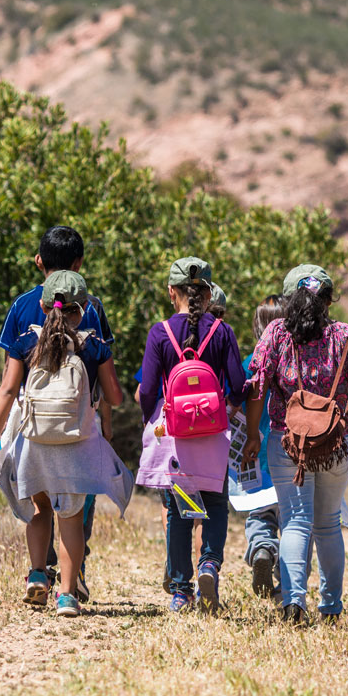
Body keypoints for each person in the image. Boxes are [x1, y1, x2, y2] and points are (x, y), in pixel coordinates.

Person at [245, 264, 348, 623]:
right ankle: (331, 607)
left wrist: (252, 436)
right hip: (336, 444)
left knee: (294, 522)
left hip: (287, 441)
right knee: (327, 524)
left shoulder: (275, 333)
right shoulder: (347, 336)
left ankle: (293, 603)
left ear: (289, 300)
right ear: (328, 300)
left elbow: (257, 384)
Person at [0, 271, 132, 618]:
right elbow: (115, 397)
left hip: (35, 442)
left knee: (39, 509)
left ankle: (37, 573)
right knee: (71, 518)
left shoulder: (26, 343)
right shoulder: (94, 346)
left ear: (43, 305)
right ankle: (66, 595)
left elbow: (7, 391)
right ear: (83, 310)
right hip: (75, 443)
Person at [0, 226, 112, 601]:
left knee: (38, 501)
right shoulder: (90, 307)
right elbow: (106, 385)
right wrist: (105, 425)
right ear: (79, 264)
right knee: (76, 507)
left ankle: (38, 570)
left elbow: (9, 383)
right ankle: (71, 578)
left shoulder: (22, 306)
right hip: (79, 426)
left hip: (31, 422)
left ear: (38, 261)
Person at [135, 257, 248, 612]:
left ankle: (181, 591)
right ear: (209, 292)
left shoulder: (159, 333)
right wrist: (228, 407)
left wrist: (148, 417)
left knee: (178, 512)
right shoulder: (223, 332)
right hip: (213, 433)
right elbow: (238, 384)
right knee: (215, 504)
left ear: (172, 292)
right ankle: (210, 565)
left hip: (175, 437)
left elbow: (149, 389)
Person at [229, 294, 285, 598]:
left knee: (259, 515)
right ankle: (286, 585)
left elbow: (232, 406)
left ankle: (263, 548)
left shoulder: (248, 365)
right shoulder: (296, 362)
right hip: (290, 455)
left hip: (254, 457)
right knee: (293, 520)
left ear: (255, 326)